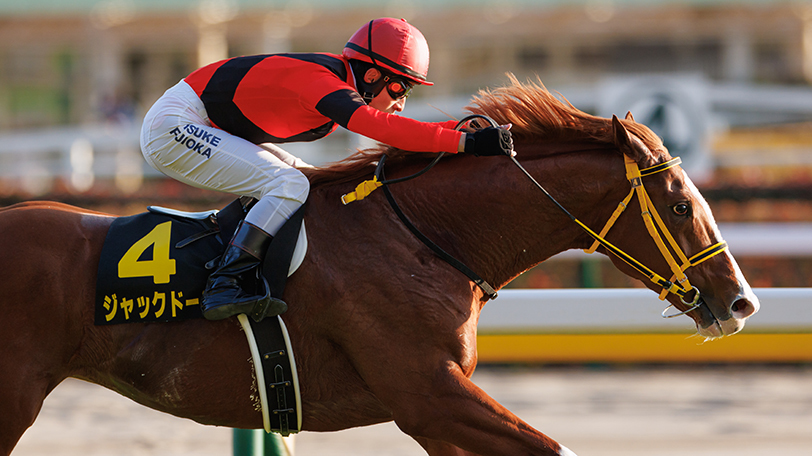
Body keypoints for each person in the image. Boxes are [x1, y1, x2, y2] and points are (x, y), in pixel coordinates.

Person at [139, 17, 513, 323]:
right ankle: (226, 281)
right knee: (287, 184)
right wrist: (462, 143)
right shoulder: (322, 81)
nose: (400, 103)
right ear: (370, 76)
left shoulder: (338, 79)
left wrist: (461, 131)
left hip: (204, 124)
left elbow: (390, 123)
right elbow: (380, 128)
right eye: (400, 88)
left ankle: (248, 268)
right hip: (174, 125)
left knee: (307, 181)